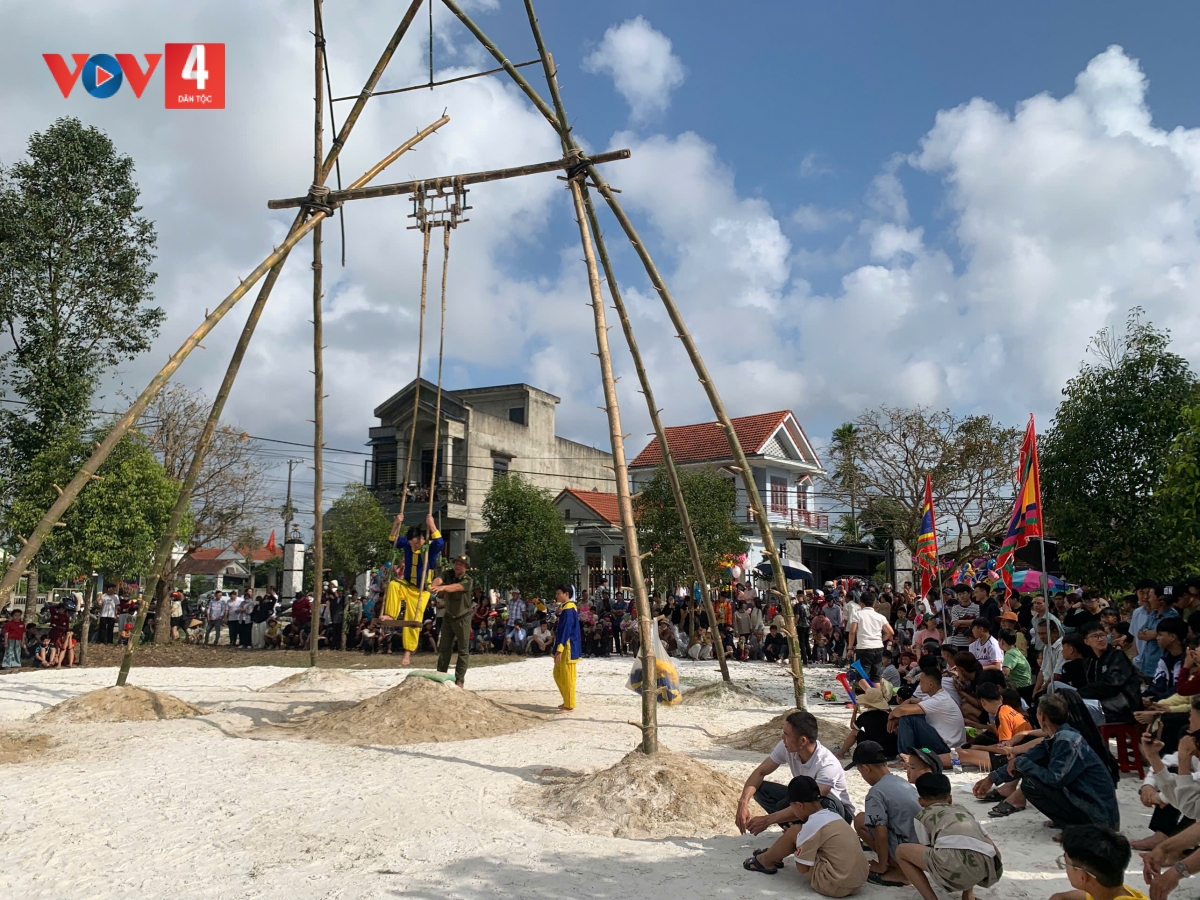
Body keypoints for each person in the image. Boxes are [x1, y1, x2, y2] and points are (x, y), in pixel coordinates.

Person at [984, 693, 1119, 831]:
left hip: (1100, 816)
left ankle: (1076, 827)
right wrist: (992, 778)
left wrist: (1020, 763)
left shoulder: (1066, 740)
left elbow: (1054, 779)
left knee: (1030, 784)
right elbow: (1031, 756)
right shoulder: (1057, 737)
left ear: (1042, 717)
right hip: (1095, 807)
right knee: (1030, 770)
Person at [741, 775, 870, 896]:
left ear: (799, 805)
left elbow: (802, 868)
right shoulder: (834, 817)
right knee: (800, 835)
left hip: (834, 885)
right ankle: (775, 855)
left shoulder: (811, 826)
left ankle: (765, 860)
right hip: (858, 882)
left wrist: (799, 843)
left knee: (795, 831)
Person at [737, 710, 855, 832]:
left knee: (819, 800)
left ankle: (804, 830)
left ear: (803, 741)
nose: (783, 738)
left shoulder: (827, 764)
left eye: (786, 734)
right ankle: (796, 829)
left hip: (837, 813)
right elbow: (761, 771)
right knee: (762, 789)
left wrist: (768, 820)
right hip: (805, 804)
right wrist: (743, 803)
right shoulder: (786, 747)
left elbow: (814, 799)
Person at [896, 773, 1003, 900]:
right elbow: (987, 840)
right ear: (950, 799)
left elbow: (927, 848)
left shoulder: (922, 816)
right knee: (965, 844)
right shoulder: (963, 810)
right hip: (988, 866)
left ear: (920, 801)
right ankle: (968, 895)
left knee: (901, 851)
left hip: (953, 866)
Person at [850, 741, 921, 886]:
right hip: (922, 848)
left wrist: (881, 866)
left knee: (860, 821)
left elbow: (880, 833)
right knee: (866, 817)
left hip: (907, 852)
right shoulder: (899, 781)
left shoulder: (876, 793)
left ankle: (899, 871)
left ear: (866, 768)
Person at [385, 512, 445, 666]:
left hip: (421, 590)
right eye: (411, 543)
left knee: (413, 618)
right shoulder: (408, 544)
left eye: (415, 543)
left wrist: (431, 525)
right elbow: (392, 540)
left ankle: (408, 653)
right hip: (407, 584)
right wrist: (396, 523)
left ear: (421, 538)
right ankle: (391, 615)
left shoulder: (429, 548)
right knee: (393, 585)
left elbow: (440, 542)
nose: (413, 546)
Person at [1047, 825, 1147, 900]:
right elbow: (1069, 896)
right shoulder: (1111, 891)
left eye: (1065, 864)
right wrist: (1060, 896)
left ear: (1082, 877)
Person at [888, 662, 966, 757]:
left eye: (921, 682)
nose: (919, 684)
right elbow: (911, 701)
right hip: (947, 743)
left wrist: (891, 716)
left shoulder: (939, 700)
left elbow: (902, 710)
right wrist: (896, 716)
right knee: (911, 714)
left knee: (907, 718)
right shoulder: (939, 696)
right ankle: (912, 753)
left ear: (930, 684)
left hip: (946, 748)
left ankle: (905, 756)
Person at [432, 554, 474, 687]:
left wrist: (442, 588)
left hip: (463, 617)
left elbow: (457, 587)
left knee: (463, 650)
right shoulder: (448, 574)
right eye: (456, 563)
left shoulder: (468, 580)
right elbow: (439, 579)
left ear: (466, 567)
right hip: (449, 616)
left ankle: (459, 679)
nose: (457, 566)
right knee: (444, 647)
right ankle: (440, 675)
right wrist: (434, 585)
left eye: (461, 564)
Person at [848, 595, 893, 682]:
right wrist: (881, 639)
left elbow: (852, 632)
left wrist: (850, 648)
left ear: (861, 603)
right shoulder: (880, 616)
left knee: (861, 676)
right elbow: (890, 632)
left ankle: (869, 690)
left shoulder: (857, 615)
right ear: (874, 604)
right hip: (878, 647)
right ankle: (875, 691)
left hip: (864, 647)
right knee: (875, 677)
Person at [552, 585, 581, 712]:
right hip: (565, 645)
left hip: (568, 647)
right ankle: (567, 700)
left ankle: (569, 705)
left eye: (559, 593)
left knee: (567, 677)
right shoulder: (566, 608)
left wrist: (559, 649)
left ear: (566, 594)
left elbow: (566, 630)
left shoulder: (569, 609)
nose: (557, 596)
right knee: (558, 674)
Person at [999, 629, 1033, 702]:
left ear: (1002, 641)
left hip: (1020, 689)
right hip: (1025, 686)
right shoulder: (1015, 651)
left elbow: (1005, 673)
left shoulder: (1010, 653)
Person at [948, 585, 980, 650]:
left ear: (969, 594)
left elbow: (977, 622)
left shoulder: (977, 607)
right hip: (957, 642)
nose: (962, 596)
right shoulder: (955, 608)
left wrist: (960, 621)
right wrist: (971, 621)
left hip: (973, 642)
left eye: (964, 593)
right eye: (959, 594)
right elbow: (955, 623)